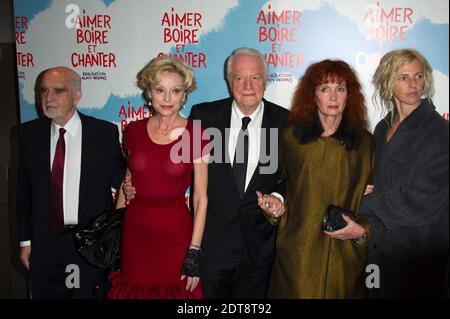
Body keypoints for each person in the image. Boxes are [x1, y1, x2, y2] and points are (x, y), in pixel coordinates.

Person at [124, 48, 289, 298]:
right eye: (239, 78)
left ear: (265, 81)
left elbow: (294, 176)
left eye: (255, 77)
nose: (247, 85)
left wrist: (279, 196)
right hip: (212, 249)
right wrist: (132, 184)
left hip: (259, 249)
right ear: (228, 81)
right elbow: (162, 160)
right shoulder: (203, 117)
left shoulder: (285, 122)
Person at [263, 60, 374, 298]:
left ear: (349, 96)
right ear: (312, 95)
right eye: (325, 88)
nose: (333, 97)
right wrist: (274, 204)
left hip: (344, 257)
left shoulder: (365, 143)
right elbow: (279, 185)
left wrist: (362, 229)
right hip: (298, 255)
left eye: (340, 89)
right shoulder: (290, 137)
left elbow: (374, 197)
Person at [18, 66, 126, 298]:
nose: (48, 98)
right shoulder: (28, 134)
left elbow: (124, 183)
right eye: (44, 90)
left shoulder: (103, 133)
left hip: (87, 244)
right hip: (43, 244)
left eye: (58, 91)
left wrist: (113, 236)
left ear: (77, 95)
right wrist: (25, 241)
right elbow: (23, 192)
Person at [107, 55, 209, 299]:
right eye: (160, 90)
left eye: (175, 91)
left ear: (184, 96)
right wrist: (113, 228)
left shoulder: (196, 133)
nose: (167, 98)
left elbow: (200, 199)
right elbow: (127, 181)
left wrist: (194, 251)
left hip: (175, 233)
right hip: (135, 232)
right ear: (149, 93)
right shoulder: (133, 130)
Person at [359, 49, 449, 298]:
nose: (413, 84)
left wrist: (364, 202)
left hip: (418, 254)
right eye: (404, 77)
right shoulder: (382, 128)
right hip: (378, 250)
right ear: (388, 81)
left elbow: (423, 198)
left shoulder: (440, 132)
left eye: (418, 76)